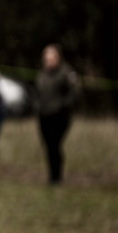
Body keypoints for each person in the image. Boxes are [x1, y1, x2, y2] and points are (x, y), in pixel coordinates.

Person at [36, 44, 79, 184]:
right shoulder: (42, 74)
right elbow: (38, 92)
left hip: (59, 115)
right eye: (46, 56)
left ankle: (56, 176)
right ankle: (52, 175)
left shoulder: (66, 72)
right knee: (49, 145)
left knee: (55, 144)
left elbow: (75, 92)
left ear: (58, 57)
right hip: (44, 115)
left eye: (51, 56)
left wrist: (63, 105)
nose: (48, 59)